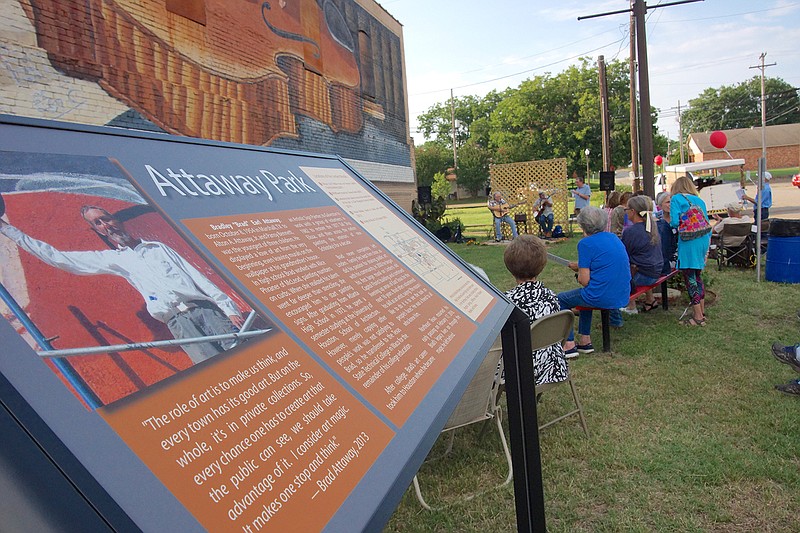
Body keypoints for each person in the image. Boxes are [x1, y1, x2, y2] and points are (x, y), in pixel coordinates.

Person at [0, 205, 245, 363]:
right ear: (97, 231)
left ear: (114, 218)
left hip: (207, 312)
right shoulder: (115, 260)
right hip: (178, 323)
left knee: (243, 359)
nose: (105, 225)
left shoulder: (158, 248)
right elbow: (58, 257)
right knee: (215, 372)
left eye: (105, 218)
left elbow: (198, 278)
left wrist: (229, 308)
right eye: (98, 223)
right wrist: (7, 230)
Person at [557, 206, 631, 356]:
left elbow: (584, 281)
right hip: (622, 292)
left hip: (601, 295)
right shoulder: (613, 237)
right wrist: (580, 266)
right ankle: (585, 341)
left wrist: (579, 272)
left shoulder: (585, 244)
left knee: (560, 299)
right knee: (586, 295)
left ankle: (569, 344)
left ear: (582, 225)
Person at [503, 235, 568, 384]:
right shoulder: (550, 296)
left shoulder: (508, 303)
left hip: (519, 371)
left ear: (510, 268)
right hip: (552, 367)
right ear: (542, 265)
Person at [670, 175, 711, 327]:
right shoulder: (699, 200)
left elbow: (674, 222)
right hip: (702, 240)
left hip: (688, 242)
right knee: (697, 275)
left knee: (690, 277)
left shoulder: (676, 199)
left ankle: (698, 317)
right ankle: (701, 310)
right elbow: (707, 223)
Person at [620, 196, 663, 314]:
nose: (626, 212)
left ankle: (630, 306)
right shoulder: (652, 227)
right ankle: (649, 299)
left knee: (617, 271)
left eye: (626, 209)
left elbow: (623, 255)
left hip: (644, 276)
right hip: (656, 271)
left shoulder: (631, 231)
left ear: (633, 211)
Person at [656, 192, 678, 275]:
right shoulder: (656, 218)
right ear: (660, 205)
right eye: (668, 202)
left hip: (676, 251)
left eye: (672, 202)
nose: (670, 205)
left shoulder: (679, 217)